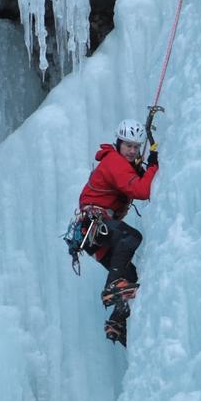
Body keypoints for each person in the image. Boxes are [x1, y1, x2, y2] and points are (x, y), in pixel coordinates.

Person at [78, 118, 159, 346]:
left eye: (136, 146)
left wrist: (145, 165)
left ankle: (117, 322)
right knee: (131, 237)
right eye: (128, 145)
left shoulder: (123, 164)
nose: (132, 151)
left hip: (94, 237)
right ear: (119, 143)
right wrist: (153, 166)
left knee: (132, 277)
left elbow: (136, 179)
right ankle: (112, 286)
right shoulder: (113, 162)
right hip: (95, 224)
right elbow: (142, 190)